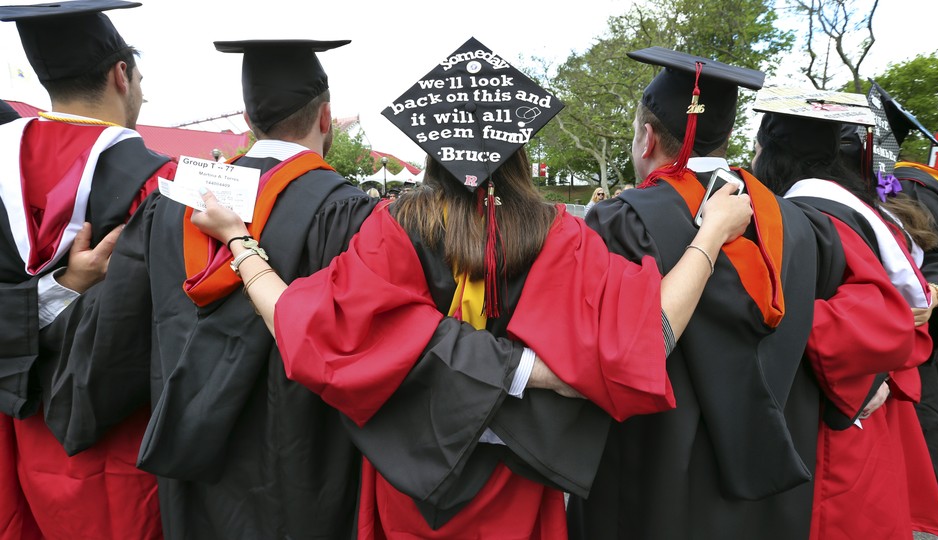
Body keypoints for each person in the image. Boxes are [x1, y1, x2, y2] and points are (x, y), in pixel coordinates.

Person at [191, 37, 751, 539]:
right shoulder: (560, 235)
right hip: (514, 487)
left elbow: (305, 326)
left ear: (433, 149)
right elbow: (650, 337)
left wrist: (240, 245)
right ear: (521, 148)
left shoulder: (392, 229)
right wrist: (710, 237)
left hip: (410, 485)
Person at [568, 48, 921, 540]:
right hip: (770, 480)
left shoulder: (622, 219)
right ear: (729, 135)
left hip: (653, 477)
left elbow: (595, 346)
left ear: (647, 138)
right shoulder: (803, 222)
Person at [47, 39, 377, 538]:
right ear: (326, 117)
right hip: (310, 474)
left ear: (247, 119)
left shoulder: (173, 204)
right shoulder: (353, 214)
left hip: (196, 475)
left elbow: (116, 337)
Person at [0, 1, 175, 538]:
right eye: (140, 79)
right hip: (124, 446)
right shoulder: (161, 182)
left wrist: (56, 288)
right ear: (120, 75)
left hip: (18, 430)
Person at [751, 91, 938, 538]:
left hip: (831, 422)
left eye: (760, 148)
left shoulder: (809, 218)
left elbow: (865, 320)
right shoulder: (864, 211)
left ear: (777, 154)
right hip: (863, 410)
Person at [840, 83, 938, 501]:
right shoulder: (833, 188)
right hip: (855, 351)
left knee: (900, 470)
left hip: (914, 350)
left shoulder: (910, 187)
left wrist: (936, 293)